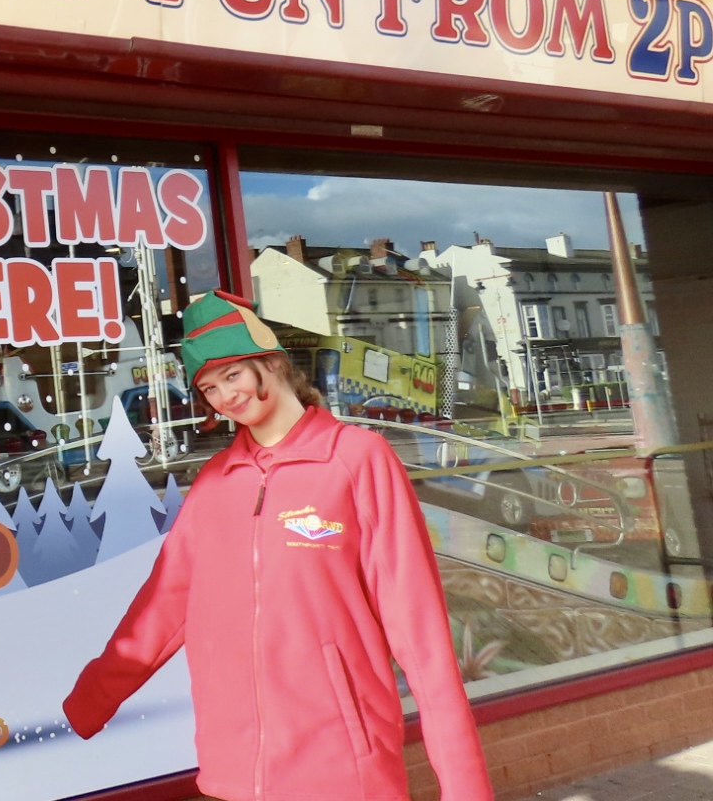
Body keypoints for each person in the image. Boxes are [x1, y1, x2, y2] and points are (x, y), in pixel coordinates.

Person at [64, 290, 493, 800]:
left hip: (342, 769)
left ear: (271, 363)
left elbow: (417, 628)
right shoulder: (215, 485)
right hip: (234, 771)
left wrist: (464, 782)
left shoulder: (356, 461)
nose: (224, 396)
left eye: (232, 375)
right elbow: (162, 609)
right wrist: (89, 702)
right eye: (208, 388)